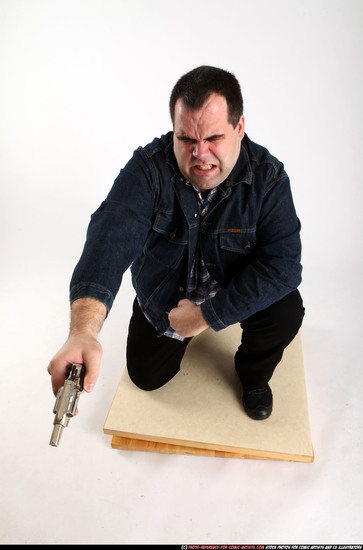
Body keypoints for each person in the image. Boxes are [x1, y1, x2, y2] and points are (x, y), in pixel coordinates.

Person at [48, 66, 304, 421]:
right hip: (166, 300)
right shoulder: (147, 169)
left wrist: (206, 315)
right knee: (146, 378)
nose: (200, 154)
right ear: (174, 130)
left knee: (286, 311)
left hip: (232, 291)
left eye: (214, 138)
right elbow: (109, 238)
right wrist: (83, 333)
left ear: (240, 128)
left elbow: (285, 266)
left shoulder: (269, 178)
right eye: (186, 139)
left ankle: (254, 374)